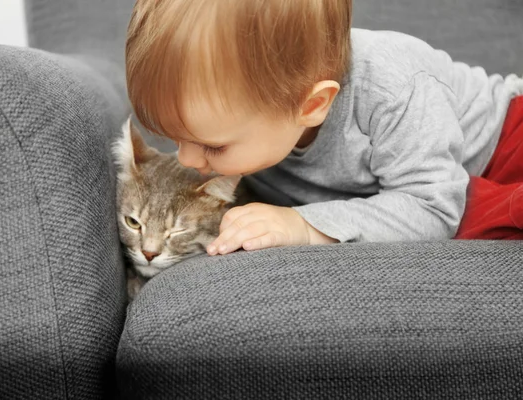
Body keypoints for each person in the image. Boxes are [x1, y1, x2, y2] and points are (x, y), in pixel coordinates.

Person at [124, 0, 523, 256]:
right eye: (177, 137)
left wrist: (303, 224)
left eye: (211, 146)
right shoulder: (255, 120)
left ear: (311, 105)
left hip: (505, 142)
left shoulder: (392, 87)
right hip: (434, 181)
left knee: (485, 217)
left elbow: (432, 207)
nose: (187, 159)